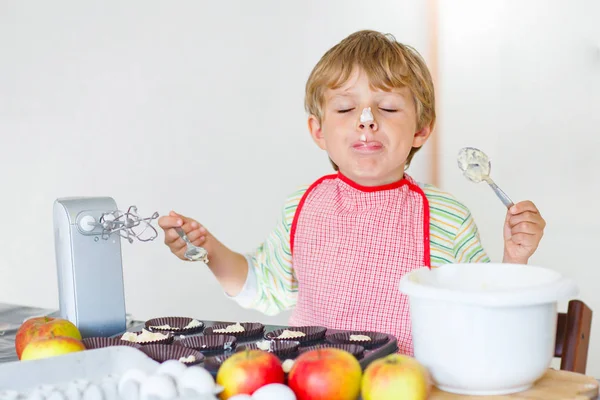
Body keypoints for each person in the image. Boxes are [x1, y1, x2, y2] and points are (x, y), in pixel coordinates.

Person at [157, 30, 546, 355]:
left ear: (421, 129)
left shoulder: (447, 216)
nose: (367, 122)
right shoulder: (303, 206)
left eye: (388, 108)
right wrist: (207, 249)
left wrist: (514, 260)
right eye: (345, 108)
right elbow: (264, 287)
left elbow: (486, 315)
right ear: (318, 131)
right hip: (313, 385)